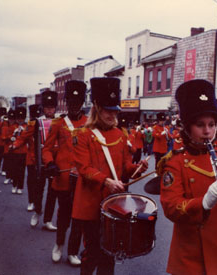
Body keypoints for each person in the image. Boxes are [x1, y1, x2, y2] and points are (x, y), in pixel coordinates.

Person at [160, 79, 217, 275]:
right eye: (199, 125)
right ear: (186, 127)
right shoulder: (175, 162)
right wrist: (203, 203)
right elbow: (170, 208)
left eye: (212, 124)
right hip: (192, 254)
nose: (207, 131)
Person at [72, 77, 148, 275]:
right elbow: (84, 168)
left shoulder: (121, 134)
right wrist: (105, 180)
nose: (112, 114)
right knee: (92, 252)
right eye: (108, 109)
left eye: (115, 109)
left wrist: (138, 168)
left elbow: (125, 167)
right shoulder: (83, 135)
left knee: (110, 252)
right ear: (96, 107)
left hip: (113, 203)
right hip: (90, 203)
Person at [42, 80, 88, 266]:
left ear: (82, 103)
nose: (74, 107)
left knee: (79, 217)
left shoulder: (89, 123)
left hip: (83, 179)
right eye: (71, 103)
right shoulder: (58, 123)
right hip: (62, 177)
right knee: (64, 215)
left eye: (77, 104)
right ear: (66, 104)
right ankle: (59, 245)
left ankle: (72, 252)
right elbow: (46, 149)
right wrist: (50, 162)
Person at [30, 90, 58, 231]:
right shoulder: (38, 122)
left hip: (54, 162)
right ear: (43, 108)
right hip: (41, 161)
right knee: (38, 189)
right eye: (47, 107)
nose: (49, 110)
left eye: (52, 107)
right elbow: (35, 143)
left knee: (53, 192)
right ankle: (37, 211)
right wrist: (36, 161)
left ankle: (47, 220)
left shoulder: (60, 121)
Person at [13, 104, 41, 211]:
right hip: (31, 158)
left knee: (40, 184)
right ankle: (31, 201)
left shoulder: (46, 125)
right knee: (31, 181)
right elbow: (22, 138)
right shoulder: (30, 126)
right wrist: (14, 145)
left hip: (42, 158)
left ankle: (37, 203)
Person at [8, 107, 28, 194]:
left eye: (22, 118)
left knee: (21, 171)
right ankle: (14, 185)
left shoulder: (27, 127)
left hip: (23, 152)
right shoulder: (13, 127)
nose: (20, 120)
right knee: (14, 170)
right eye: (18, 118)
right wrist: (14, 135)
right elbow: (9, 137)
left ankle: (20, 187)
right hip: (14, 152)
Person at [0, 107, 7, 174]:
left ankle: (3, 169)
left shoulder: (7, 121)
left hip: (5, 141)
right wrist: (1, 122)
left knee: (5, 157)